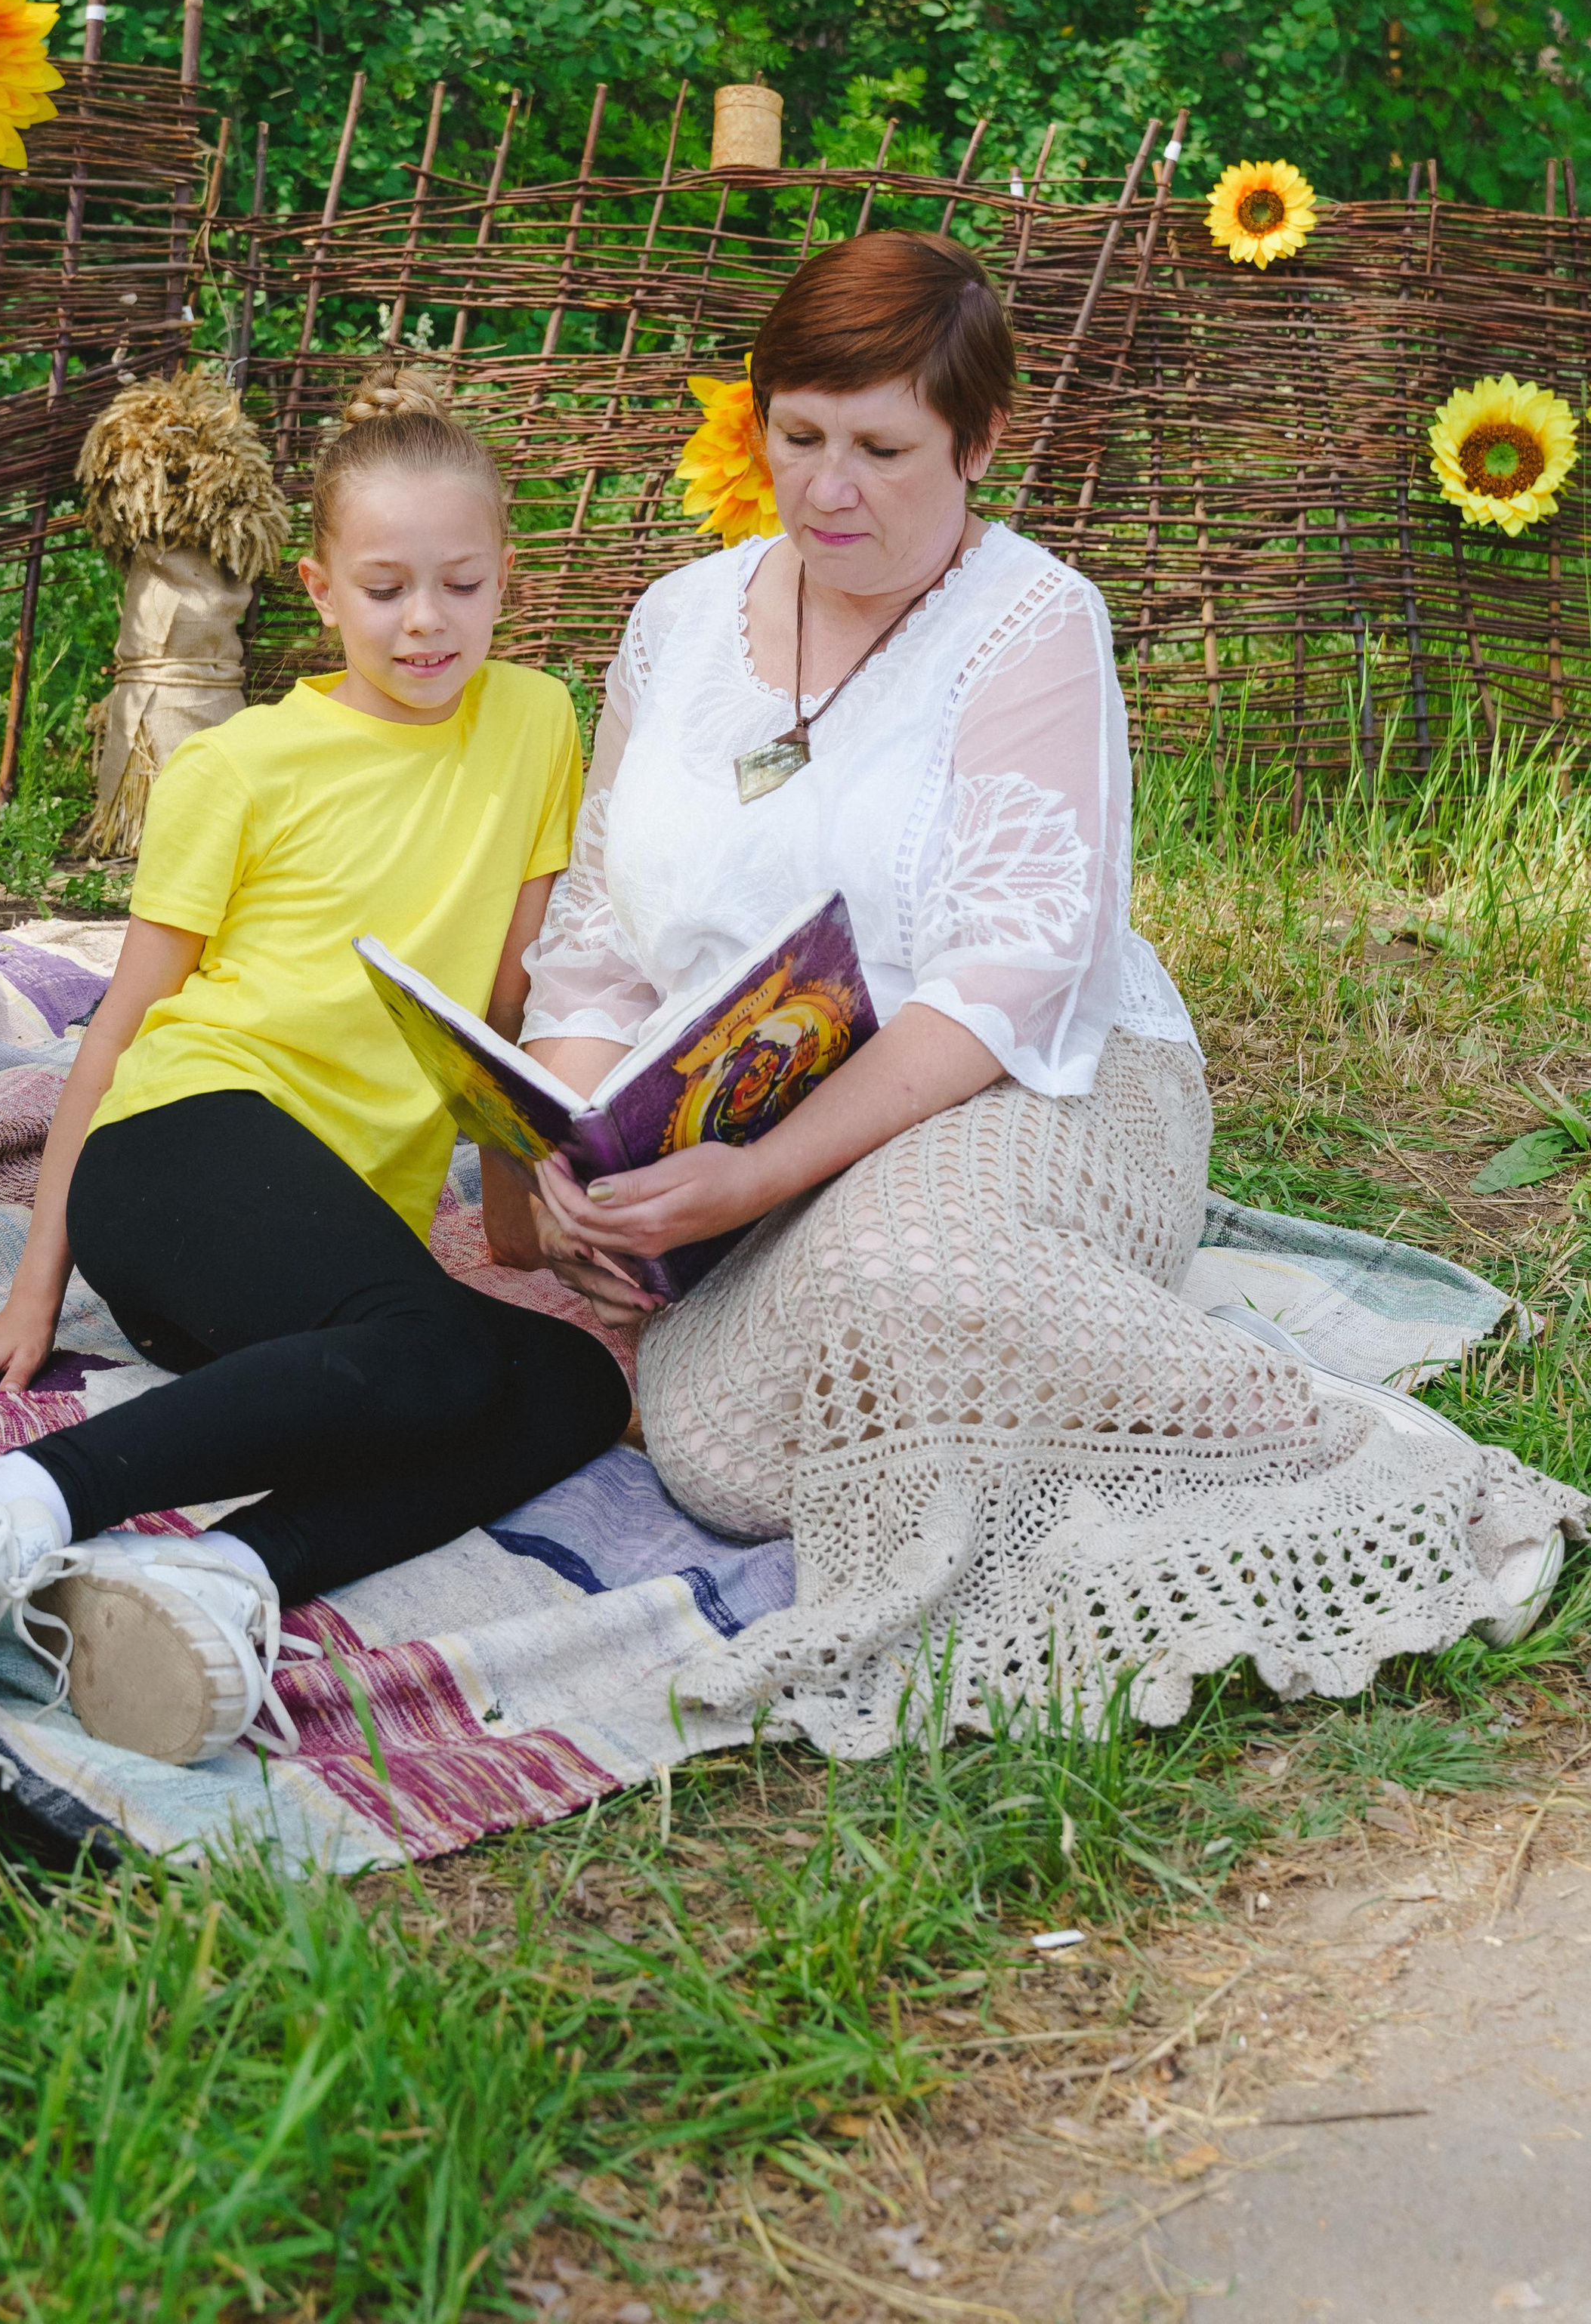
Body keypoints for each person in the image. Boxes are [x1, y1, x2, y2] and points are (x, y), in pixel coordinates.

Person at [518, 230, 1581, 1757]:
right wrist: (578, 1141)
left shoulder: (1030, 623)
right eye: (797, 437)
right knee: (726, 1452)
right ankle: (970, 1373)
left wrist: (754, 1174)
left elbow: (1012, 976)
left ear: (975, 445)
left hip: (1031, 1079)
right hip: (741, 1100)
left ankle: (1360, 1462)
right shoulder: (675, 627)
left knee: (893, 1292)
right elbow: (596, 939)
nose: (828, 489)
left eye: (882, 449)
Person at [0, 372, 631, 1764]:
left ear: (507, 580)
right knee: (433, 1348)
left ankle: (214, 1578)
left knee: (570, 1385)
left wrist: (511, 1213)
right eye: (383, 588)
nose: (425, 620)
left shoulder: (539, 721)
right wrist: (32, 1294)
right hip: (182, 1145)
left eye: (461, 583)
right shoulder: (240, 771)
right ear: (318, 588)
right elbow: (122, 1029)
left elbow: (503, 996)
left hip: (325, 1278)